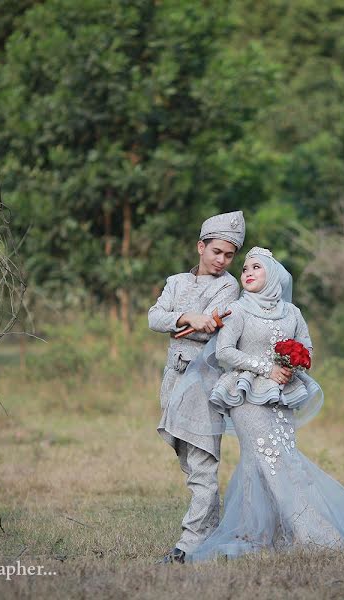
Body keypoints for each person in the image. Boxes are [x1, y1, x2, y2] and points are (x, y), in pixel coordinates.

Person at [188, 247, 344, 561]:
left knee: (261, 463)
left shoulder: (292, 312)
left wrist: (293, 363)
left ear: (274, 274)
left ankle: (259, 533)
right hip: (247, 396)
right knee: (276, 459)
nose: (248, 273)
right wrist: (267, 368)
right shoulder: (237, 310)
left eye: (256, 267)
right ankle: (314, 532)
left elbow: (306, 347)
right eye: (244, 269)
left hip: (282, 396)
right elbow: (224, 352)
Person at [147, 210, 245, 564]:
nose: (222, 260)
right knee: (190, 462)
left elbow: (214, 327)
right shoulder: (175, 281)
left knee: (203, 463)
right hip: (173, 380)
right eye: (217, 251)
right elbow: (155, 317)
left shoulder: (230, 285)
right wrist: (186, 317)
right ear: (200, 247)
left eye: (230, 255)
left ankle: (187, 545)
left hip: (204, 380)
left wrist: (197, 323)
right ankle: (213, 534)